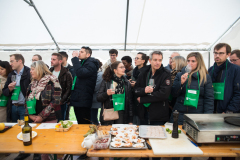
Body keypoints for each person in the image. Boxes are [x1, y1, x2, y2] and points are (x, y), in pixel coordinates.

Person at [25, 60, 61, 160]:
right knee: (40, 145)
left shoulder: (52, 81)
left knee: (51, 144)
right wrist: (31, 115)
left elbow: (55, 101)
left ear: (39, 70)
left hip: (49, 118)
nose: (30, 72)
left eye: (33, 69)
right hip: (34, 118)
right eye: (30, 70)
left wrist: (41, 116)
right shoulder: (32, 83)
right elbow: (27, 100)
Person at [171, 52, 214, 125]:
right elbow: (174, 94)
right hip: (180, 113)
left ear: (199, 63)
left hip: (197, 115)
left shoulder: (205, 77)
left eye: (193, 61)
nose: (190, 63)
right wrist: (180, 83)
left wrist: (207, 116)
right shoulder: (180, 75)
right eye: (188, 61)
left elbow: (209, 99)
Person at [2, 54, 31, 160]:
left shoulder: (28, 72)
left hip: (24, 106)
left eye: (12, 61)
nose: (10, 64)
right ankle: (19, 149)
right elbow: (5, 92)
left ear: (20, 61)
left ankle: (25, 152)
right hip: (13, 106)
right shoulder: (11, 74)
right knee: (15, 130)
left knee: (25, 129)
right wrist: (9, 89)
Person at [134, 51, 171, 125]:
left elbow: (164, 94)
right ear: (150, 61)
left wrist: (143, 99)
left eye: (160, 60)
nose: (158, 62)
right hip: (143, 113)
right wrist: (144, 90)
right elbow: (136, 89)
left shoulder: (165, 74)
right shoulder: (143, 72)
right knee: (143, 135)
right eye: (155, 60)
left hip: (158, 114)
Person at [208, 43, 240, 113]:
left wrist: (230, 110)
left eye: (221, 53)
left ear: (228, 54)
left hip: (227, 112)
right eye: (215, 53)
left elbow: (238, 93)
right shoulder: (210, 70)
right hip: (211, 110)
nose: (217, 56)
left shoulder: (236, 70)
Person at [70, 46, 99, 124]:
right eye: (79, 51)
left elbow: (80, 73)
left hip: (83, 98)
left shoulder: (91, 64)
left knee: (84, 123)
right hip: (78, 97)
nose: (79, 53)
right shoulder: (82, 63)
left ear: (88, 55)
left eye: (82, 52)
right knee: (80, 122)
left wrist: (75, 58)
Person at [50, 53, 72, 121]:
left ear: (60, 61)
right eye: (51, 59)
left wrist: (62, 101)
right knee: (49, 122)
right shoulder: (49, 72)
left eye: (54, 59)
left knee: (60, 121)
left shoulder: (67, 73)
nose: (51, 61)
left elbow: (69, 88)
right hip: (49, 102)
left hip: (60, 102)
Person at [130, 52, 149, 125]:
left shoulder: (146, 72)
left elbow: (147, 86)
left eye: (137, 58)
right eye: (135, 58)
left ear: (143, 61)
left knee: (141, 122)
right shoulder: (134, 71)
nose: (135, 60)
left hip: (142, 101)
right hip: (134, 98)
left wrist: (136, 85)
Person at [59, 51, 75, 121]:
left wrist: (68, 98)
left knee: (65, 117)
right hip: (56, 99)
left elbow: (73, 84)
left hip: (67, 98)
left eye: (60, 58)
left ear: (65, 58)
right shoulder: (54, 69)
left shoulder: (72, 69)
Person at [91, 59, 103, 124]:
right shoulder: (96, 73)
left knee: (93, 118)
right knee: (92, 117)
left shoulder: (100, 74)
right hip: (93, 99)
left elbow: (95, 87)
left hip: (95, 99)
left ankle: (96, 131)